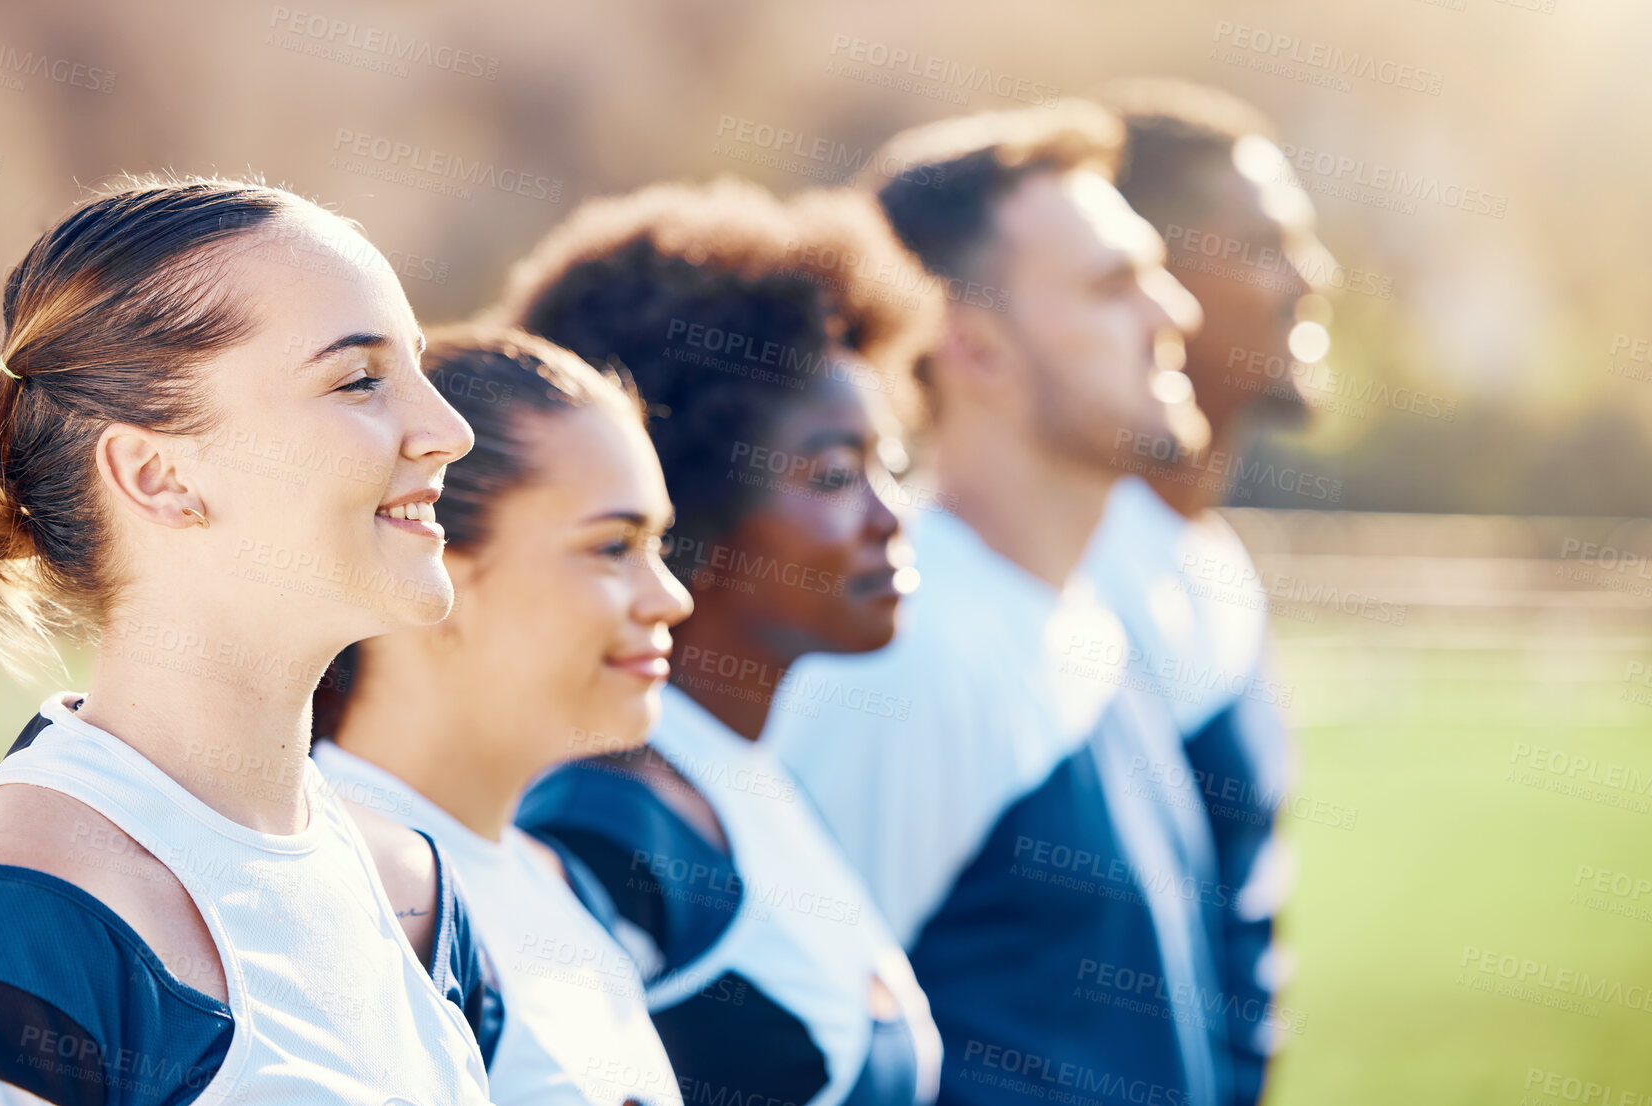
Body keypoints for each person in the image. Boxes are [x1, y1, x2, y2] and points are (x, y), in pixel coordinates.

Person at [0, 176, 495, 1104]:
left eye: (418, 368)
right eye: (360, 379)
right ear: (158, 475)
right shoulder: (13, 925)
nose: (451, 431)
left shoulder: (416, 892)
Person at [760, 105, 1232, 1106]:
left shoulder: (1087, 614)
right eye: (1114, 286)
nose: (1175, 314)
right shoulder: (902, 658)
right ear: (972, 350)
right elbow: (796, 1058)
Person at [497, 178, 945, 1106]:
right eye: (833, 475)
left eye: (889, 466)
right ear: (684, 496)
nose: (888, 517)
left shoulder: (737, 773)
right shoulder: (604, 822)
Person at [308, 324, 693, 1106]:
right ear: (436, 573)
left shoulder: (560, 884)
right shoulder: (325, 890)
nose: (671, 598)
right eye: (613, 547)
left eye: (658, 544)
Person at [1077, 77, 1336, 1105]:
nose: (1314, 279)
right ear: (1151, 277)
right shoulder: (1068, 584)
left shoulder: (1213, 562)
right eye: (1269, 245)